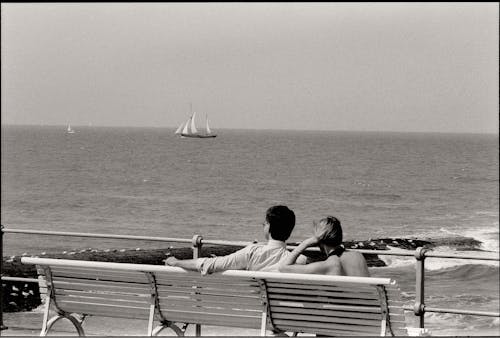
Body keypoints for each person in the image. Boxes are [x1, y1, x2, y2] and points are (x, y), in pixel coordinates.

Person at [165, 205, 307, 274]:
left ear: (269, 227)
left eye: (265, 223)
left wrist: (175, 262)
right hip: (287, 315)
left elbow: (210, 264)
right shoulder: (300, 261)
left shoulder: (252, 252)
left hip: (257, 313)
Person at [279, 216, 370, 277]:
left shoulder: (327, 265)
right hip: (370, 305)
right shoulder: (358, 256)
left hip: (340, 306)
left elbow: (283, 268)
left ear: (318, 240)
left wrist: (305, 243)